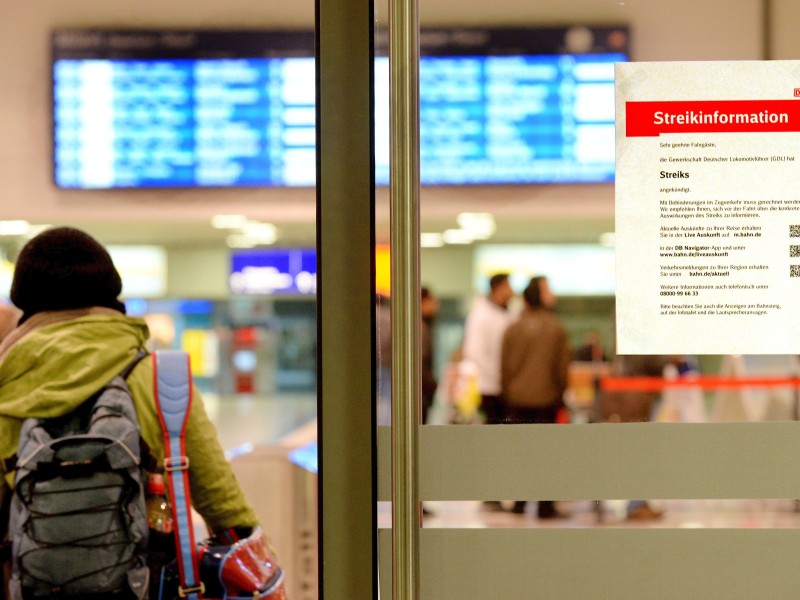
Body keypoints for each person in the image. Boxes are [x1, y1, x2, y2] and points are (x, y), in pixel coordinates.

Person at [0, 228, 259, 568]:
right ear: (111, 295)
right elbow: (222, 504)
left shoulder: (7, 382)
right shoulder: (160, 378)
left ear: (24, 303)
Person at [500, 276, 571, 519]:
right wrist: (560, 394)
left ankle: (519, 503)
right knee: (546, 454)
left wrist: (507, 394)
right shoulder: (556, 328)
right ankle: (544, 505)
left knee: (520, 453)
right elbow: (561, 370)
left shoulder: (513, 328)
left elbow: (505, 367)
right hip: (546, 399)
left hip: (517, 399)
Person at [462, 273, 515, 425]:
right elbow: (474, 351)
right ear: (497, 288)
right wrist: (496, 375)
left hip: (502, 386)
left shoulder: (507, 314)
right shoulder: (480, 315)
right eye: (508, 286)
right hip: (487, 387)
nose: (512, 291)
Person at [420, 286, 439, 424]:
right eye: (431, 301)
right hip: (421, 390)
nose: (436, 305)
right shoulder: (419, 329)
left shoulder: (424, 328)